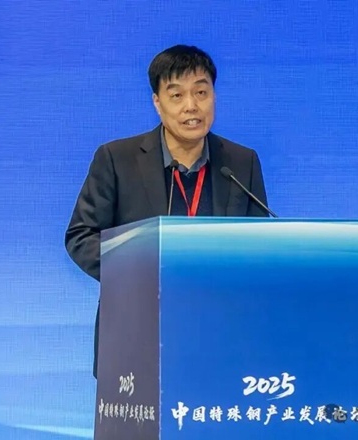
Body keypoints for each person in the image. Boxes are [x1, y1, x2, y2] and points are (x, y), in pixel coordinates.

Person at [64, 44, 271, 377]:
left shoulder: (240, 162)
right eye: (177, 95)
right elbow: (81, 236)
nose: (192, 106)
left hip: (221, 335)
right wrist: (141, 271)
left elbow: (262, 243)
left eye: (201, 92)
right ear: (157, 103)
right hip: (136, 332)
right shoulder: (117, 159)